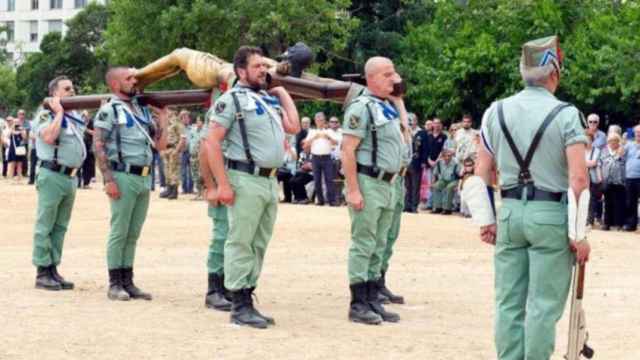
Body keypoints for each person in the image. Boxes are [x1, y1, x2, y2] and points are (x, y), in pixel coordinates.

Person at [475, 35, 590, 360]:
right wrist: (579, 234)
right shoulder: (567, 114)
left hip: (510, 212)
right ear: (554, 71)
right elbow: (579, 179)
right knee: (542, 305)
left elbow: (481, 171)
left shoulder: (494, 112)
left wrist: (487, 219)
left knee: (508, 302)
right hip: (550, 215)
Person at [205, 46, 300, 328]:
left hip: (269, 179)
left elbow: (293, 126)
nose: (264, 70)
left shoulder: (267, 100)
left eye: (264, 66)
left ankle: (248, 295)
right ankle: (239, 305)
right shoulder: (230, 100)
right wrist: (222, 184)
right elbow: (211, 142)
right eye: (257, 66)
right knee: (240, 240)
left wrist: (281, 92)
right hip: (244, 178)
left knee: (259, 242)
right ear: (241, 71)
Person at [94, 67, 169, 301]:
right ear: (116, 85)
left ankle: (128, 280)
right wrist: (108, 179)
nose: (135, 81)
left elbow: (160, 146)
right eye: (129, 78)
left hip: (143, 176)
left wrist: (164, 119)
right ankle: (115, 282)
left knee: (133, 232)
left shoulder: (142, 110)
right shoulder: (109, 110)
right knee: (120, 230)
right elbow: (98, 144)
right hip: (122, 175)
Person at [341, 56, 407, 325]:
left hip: (389, 183)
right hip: (369, 181)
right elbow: (347, 150)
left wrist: (398, 98)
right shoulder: (361, 107)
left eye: (394, 73)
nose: (395, 79)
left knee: (379, 243)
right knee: (364, 242)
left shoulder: (386, 107)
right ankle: (358, 303)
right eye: (387, 75)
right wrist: (353, 190)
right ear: (370, 78)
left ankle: (372, 298)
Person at [31, 76, 87, 291]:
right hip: (52, 174)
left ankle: (53, 267)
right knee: (45, 224)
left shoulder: (74, 118)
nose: (72, 91)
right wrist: (59, 112)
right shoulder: (46, 114)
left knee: (60, 226)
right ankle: (42, 270)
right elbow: (48, 137)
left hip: (70, 177)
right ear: (55, 94)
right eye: (66, 88)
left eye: (73, 88)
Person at [303, 112, 339, 206]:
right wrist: (314, 138)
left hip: (327, 158)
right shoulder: (312, 131)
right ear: (315, 121)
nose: (320, 122)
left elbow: (336, 143)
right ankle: (320, 200)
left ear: (324, 121)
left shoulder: (329, 131)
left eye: (322, 120)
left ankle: (332, 201)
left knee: (329, 180)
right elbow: (305, 144)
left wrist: (328, 137)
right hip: (315, 158)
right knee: (317, 180)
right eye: (318, 120)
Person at [601, 133, 626, 230]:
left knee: (618, 203)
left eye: (615, 141)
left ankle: (617, 224)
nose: (612, 143)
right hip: (607, 180)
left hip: (619, 181)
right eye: (610, 141)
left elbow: (622, 163)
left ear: (618, 141)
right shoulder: (604, 151)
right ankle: (607, 223)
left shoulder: (623, 151)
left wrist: (618, 155)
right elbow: (603, 163)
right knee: (607, 203)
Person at [405, 113, 429, 213]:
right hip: (406, 162)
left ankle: (414, 206)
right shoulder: (405, 131)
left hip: (416, 162)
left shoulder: (422, 133)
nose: (411, 122)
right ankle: (407, 205)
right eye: (409, 120)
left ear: (416, 121)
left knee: (416, 185)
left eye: (412, 120)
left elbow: (425, 148)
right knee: (407, 185)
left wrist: (423, 161)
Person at [159, 110, 185, 200]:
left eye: (168, 110)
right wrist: (161, 150)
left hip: (173, 148)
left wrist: (177, 150)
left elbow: (182, 138)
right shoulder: (165, 122)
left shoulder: (177, 123)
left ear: (173, 111)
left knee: (174, 170)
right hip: (165, 149)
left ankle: (174, 191)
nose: (167, 112)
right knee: (166, 170)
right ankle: (168, 188)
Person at [430, 148, 460, 215]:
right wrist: (432, 183)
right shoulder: (439, 163)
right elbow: (435, 174)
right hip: (443, 180)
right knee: (436, 186)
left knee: (449, 187)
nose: (447, 157)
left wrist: (459, 185)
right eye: (445, 156)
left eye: (449, 156)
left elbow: (460, 175)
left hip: (454, 180)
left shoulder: (456, 163)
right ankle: (438, 207)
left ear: (451, 156)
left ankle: (447, 209)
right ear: (442, 156)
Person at [623, 125, 640, 232]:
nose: (639, 134)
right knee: (630, 202)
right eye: (637, 132)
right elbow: (620, 155)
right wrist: (622, 144)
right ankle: (631, 225)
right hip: (630, 177)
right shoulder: (629, 144)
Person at [585, 129, 603, 226]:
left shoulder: (597, 150)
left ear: (592, 140)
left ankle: (590, 220)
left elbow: (594, 163)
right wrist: (588, 163)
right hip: (582, 178)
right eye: (585, 139)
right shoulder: (580, 150)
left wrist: (584, 163)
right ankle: (583, 220)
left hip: (593, 178)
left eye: (589, 139)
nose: (587, 141)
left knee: (591, 199)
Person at [3, 115, 27, 183]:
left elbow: (25, 138)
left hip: (20, 148)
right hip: (13, 148)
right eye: (15, 122)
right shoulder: (11, 129)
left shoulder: (22, 129)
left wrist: (21, 130)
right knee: (12, 164)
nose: (16, 123)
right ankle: (11, 178)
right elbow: (7, 136)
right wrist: (12, 128)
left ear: (19, 122)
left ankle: (19, 178)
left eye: (17, 122)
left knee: (19, 164)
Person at [78, 110, 96, 188]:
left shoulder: (92, 122)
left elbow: (96, 133)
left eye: (86, 115)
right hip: (80, 146)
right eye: (83, 115)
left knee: (89, 165)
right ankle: (78, 183)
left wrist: (86, 130)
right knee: (78, 164)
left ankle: (86, 183)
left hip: (89, 146)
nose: (84, 117)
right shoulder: (77, 121)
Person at [189, 116, 205, 200]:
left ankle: (203, 193)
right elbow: (190, 141)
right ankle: (198, 193)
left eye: (199, 121)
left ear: (203, 122)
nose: (197, 122)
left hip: (201, 156)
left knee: (201, 175)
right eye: (197, 120)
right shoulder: (193, 130)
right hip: (193, 155)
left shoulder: (205, 131)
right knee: (194, 174)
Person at [179, 110, 193, 194]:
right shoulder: (179, 128)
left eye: (187, 117)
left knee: (191, 171)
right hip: (182, 152)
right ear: (181, 119)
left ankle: (190, 189)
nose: (187, 119)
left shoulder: (192, 128)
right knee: (183, 171)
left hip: (191, 152)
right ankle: (184, 189)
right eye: (184, 117)